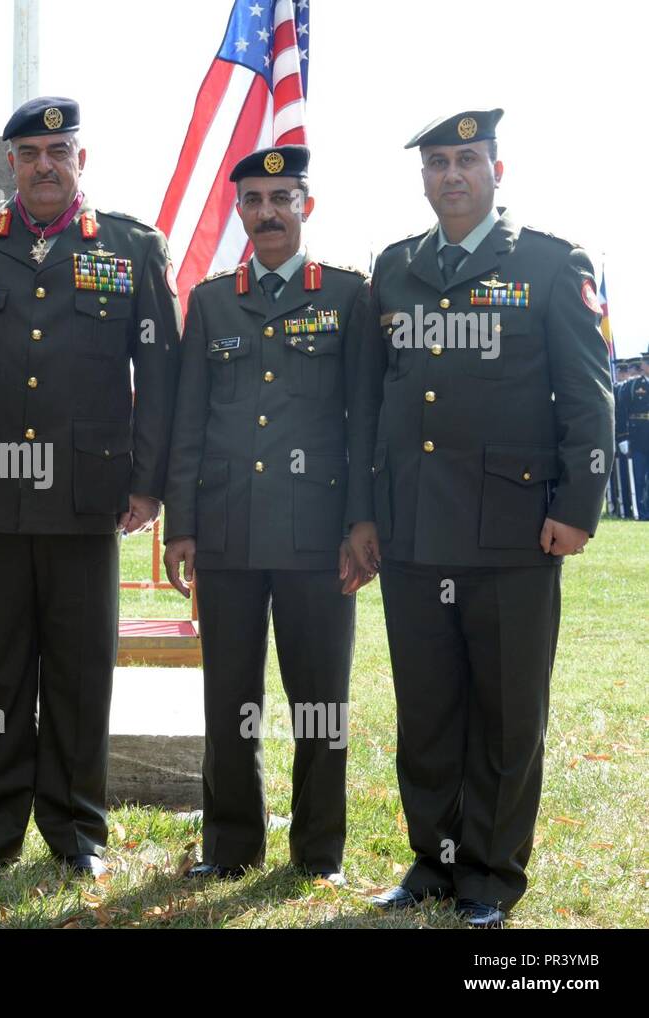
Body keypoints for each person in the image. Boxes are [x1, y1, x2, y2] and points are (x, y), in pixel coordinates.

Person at [346, 109, 614, 926]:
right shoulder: (392, 271)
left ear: (499, 169)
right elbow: (368, 405)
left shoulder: (548, 262)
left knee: (505, 711)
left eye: (467, 159)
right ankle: (436, 858)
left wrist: (577, 509)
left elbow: (588, 395)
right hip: (416, 527)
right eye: (437, 163)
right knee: (427, 708)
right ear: (422, 178)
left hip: (512, 529)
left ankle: (491, 876)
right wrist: (363, 514)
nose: (452, 175)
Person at [0, 97, 181, 877]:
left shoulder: (130, 246)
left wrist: (149, 484)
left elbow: (158, 376)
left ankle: (77, 832)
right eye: (29, 153)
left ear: (81, 160)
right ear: (11, 165)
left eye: (59, 150)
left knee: (81, 668)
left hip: (88, 497)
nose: (44, 165)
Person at [163, 145, 370, 887]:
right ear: (240, 211)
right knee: (230, 697)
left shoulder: (348, 295)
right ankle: (230, 844)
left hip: (319, 539)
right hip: (227, 531)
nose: (268, 212)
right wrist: (180, 523)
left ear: (306, 205)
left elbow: (364, 420)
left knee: (319, 700)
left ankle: (319, 852)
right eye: (254, 200)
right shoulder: (212, 300)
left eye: (282, 198)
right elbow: (189, 418)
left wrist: (360, 522)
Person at [617, 352, 649, 518]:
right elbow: (622, 413)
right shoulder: (632, 386)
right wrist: (623, 438)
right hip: (639, 437)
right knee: (638, 477)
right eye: (646, 361)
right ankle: (641, 513)